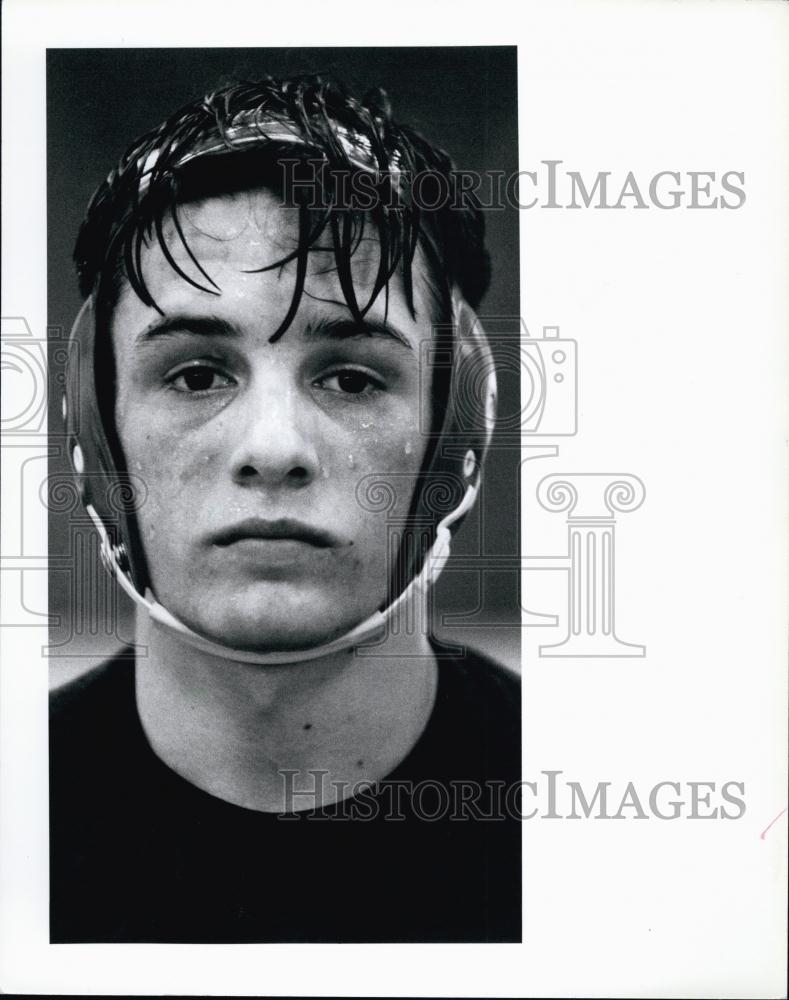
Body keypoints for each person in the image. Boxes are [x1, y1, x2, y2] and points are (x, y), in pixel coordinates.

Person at [49, 75, 521, 943]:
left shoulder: (601, 829)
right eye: (195, 375)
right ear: (95, 421)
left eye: (352, 376)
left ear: (454, 431)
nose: (273, 447)